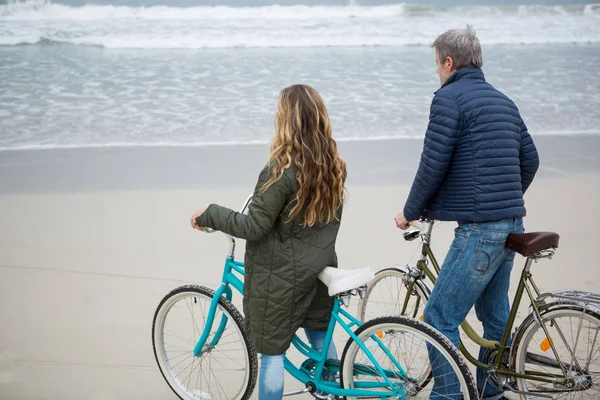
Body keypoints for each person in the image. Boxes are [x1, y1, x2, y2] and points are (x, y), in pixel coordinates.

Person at [394, 26, 540, 400]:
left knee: (439, 318)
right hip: (512, 224)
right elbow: (531, 159)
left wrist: (409, 211)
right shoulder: (503, 100)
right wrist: (504, 198)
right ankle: (492, 395)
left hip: (480, 232)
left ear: (448, 62)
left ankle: (448, 396)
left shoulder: (449, 99)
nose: (437, 73)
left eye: (437, 66)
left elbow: (433, 162)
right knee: (495, 321)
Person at [190, 84, 347, 400]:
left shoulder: (282, 168)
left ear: (286, 120)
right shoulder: (333, 164)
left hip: (282, 277)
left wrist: (211, 213)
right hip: (319, 267)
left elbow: (254, 226)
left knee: (272, 352)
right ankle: (333, 390)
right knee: (319, 332)